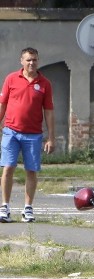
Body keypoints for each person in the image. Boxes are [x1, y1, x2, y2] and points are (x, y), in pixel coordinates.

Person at [0, 47, 54, 223]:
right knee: (8, 168)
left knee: (31, 171)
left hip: (33, 135)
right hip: (11, 132)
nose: (32, 63)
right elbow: (3, 104)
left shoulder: (44, 83)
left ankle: (28, 208)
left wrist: (51, 137)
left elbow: (49, 111)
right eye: (28, 59)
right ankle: (5, 207)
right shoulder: (11, 79)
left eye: (35, 60)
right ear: (21, 61)